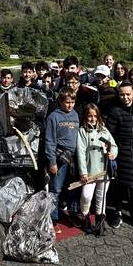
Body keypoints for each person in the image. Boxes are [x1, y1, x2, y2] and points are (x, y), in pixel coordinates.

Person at [104, 82, 133, 229]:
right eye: (122, 94)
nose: (125, 97)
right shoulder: (115, 111)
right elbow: (109, 133)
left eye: (128, 94)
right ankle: (117, 212)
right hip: (121, 152)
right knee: (120, 184)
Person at [76, 104, 117, 235]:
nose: (92, 119)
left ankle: (100, 221)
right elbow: (81, 153)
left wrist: (112, 153)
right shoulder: (82, 131)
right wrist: (83, 172)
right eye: (90, 116)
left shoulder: (103, 130)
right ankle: (85, 218)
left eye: (95, 116)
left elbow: (113, 145)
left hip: (103, 170)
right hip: (90, 171)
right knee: (86, 195)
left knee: (101, 196)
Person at [44, 86, 80, 223]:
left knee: (72, 186)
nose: (70, 105)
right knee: (56, 189)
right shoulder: (54, 116)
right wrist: (52, 162)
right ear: (61, 101)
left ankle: (68, 209)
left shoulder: (75, 114)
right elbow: (50, 140)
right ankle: (53, 218)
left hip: (73, 156)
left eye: (72, 102)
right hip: (59, 156)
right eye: (67, 102)